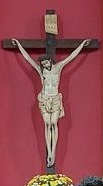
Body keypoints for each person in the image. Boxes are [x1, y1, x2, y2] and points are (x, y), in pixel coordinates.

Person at [10, 37, 93, 169]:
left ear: (50, 61)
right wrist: (19, 45)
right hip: (44, 99)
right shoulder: (40, 70)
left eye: (46, 63)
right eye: (42, 64)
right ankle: (49, 151)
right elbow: (27, 59)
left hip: (54, 99)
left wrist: (82, 45)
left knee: (53, 123)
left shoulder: (58, 68)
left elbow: (71, 57)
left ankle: (53, 152)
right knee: (47, 125)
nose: (44, 65)